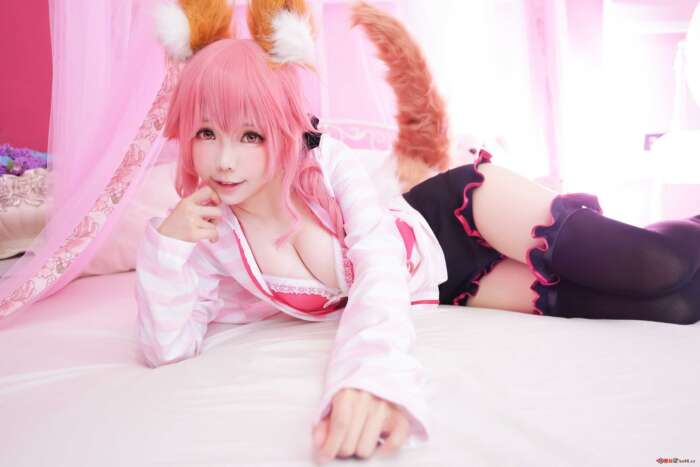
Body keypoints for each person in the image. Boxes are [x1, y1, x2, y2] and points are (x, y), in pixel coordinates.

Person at [136, 0, 700, 464]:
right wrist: (166, 246)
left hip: (454, 215)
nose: (225, 160)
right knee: (675, 307)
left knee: (659, 266)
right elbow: (169, 348)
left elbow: (378, 266)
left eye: (250, 136)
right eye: (207, 133)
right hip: (445, 285)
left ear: (280, 129)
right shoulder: (207, 236)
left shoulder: (325, 162)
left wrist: (368, 376)